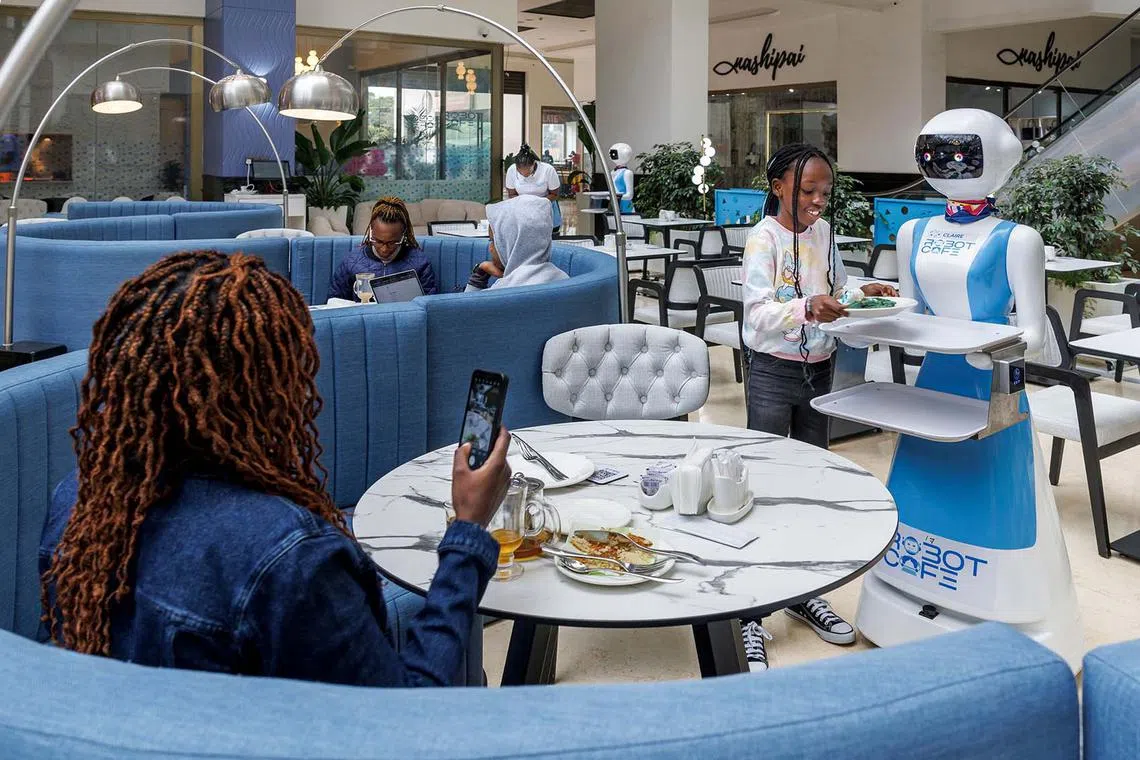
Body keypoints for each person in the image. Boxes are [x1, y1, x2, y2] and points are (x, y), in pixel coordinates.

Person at [38, 250, 512, 687]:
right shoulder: (293, 559)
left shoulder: (78, 500)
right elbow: (403, 718)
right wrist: (468, 531)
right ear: (270, 389)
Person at [738, 143, 899, 671]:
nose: (818, 201)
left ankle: (801, 593)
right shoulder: (762, 239)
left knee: (810, 486)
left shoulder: (825, 235)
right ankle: (750, 613)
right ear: (779, 186)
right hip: (771, 373)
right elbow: (759, 314)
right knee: (759, 489)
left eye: (825, 192)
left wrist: (861, 290)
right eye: (808, 191)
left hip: (820, 372)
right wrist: (807, 307)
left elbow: (834, 288)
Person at [328, 196, 437, 301]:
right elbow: (334, 302)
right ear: (371, 232)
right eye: (378, 241)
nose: (384, 249)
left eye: (392, 242)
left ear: (403, 235)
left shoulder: (420, 263)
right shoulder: (351, 262)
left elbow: (429, 306)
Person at [466, 194, 568, 292]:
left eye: (493, 241)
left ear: (512, 243)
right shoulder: (563, 279)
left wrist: (479, 275)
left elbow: (465, 305)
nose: (490, 248)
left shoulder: (500, 291)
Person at [505, 143, 562, 235]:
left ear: (534, 164)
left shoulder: (547, 170)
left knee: (548, 238)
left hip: (546, 209)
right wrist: (525, 203)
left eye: (528, 173)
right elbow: (511, 194)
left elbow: (555, 194)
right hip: (523, 211)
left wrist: (538, 203)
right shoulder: (512, 170)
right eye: (521, 174)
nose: (525, 176)